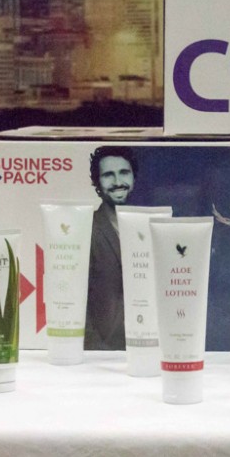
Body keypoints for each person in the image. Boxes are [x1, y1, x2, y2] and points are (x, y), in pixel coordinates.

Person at [86, 145, 138, 350]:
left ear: (134, 178)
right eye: (108, 175)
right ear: (97, 183)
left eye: (124, 172)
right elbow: (78, 300)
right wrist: (99, 351)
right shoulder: (87, 229)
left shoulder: (148, 226)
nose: (118, 182)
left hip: (145, 346)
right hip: (102, 351)